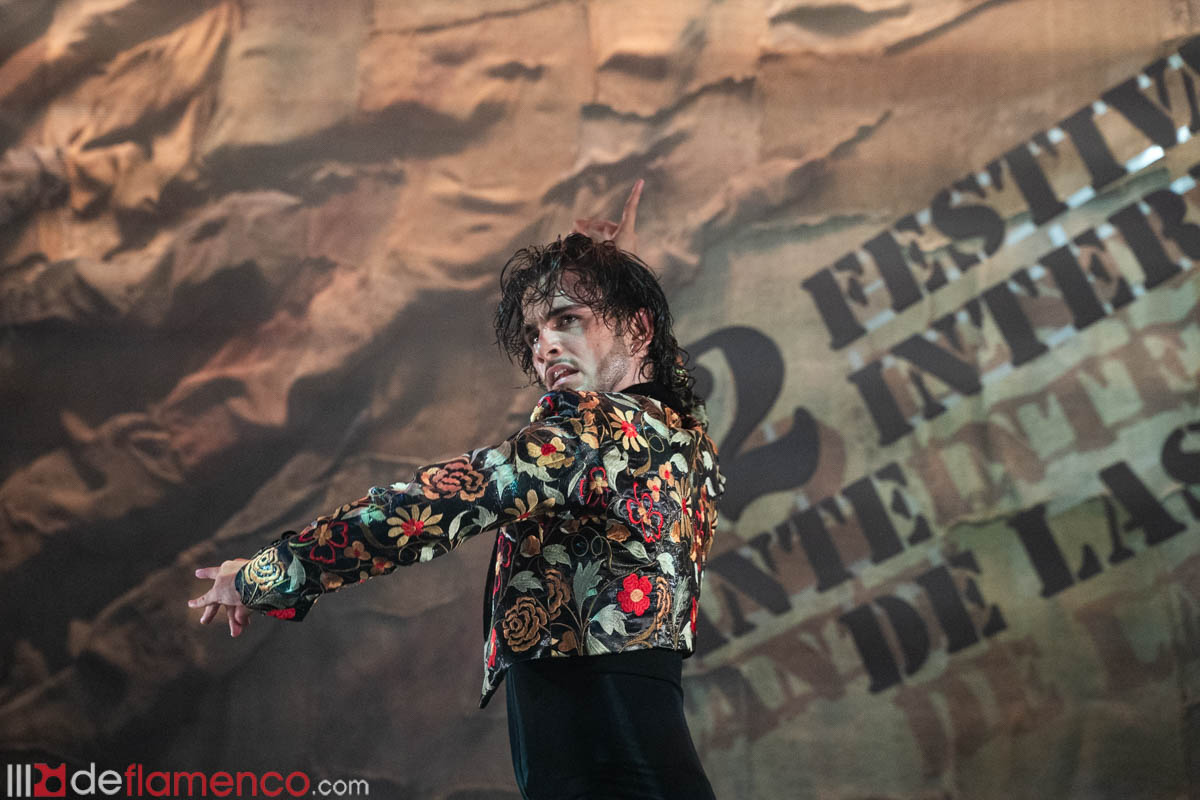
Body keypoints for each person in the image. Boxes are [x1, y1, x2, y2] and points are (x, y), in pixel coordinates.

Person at [188, 181, 724, 799]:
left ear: (638, 328)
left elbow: (435, 504)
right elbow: (655, 367)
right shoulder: (681, 436)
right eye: (534, 334)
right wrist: (618, 282)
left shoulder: (591, 431)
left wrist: (271, 572)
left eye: (567, 319)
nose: (545, 346)